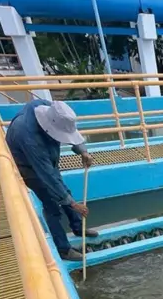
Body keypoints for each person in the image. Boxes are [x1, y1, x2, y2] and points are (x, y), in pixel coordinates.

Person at [5, 99, 97, 262]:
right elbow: (46, 174)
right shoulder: (28, 135)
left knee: (64, 193)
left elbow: (69, 130)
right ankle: (63, 249)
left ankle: (78, 228)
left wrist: (83, 151)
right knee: (52, 204)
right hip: (28, 166)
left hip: (47, 160)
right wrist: (74, 204)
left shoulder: (50, 108)